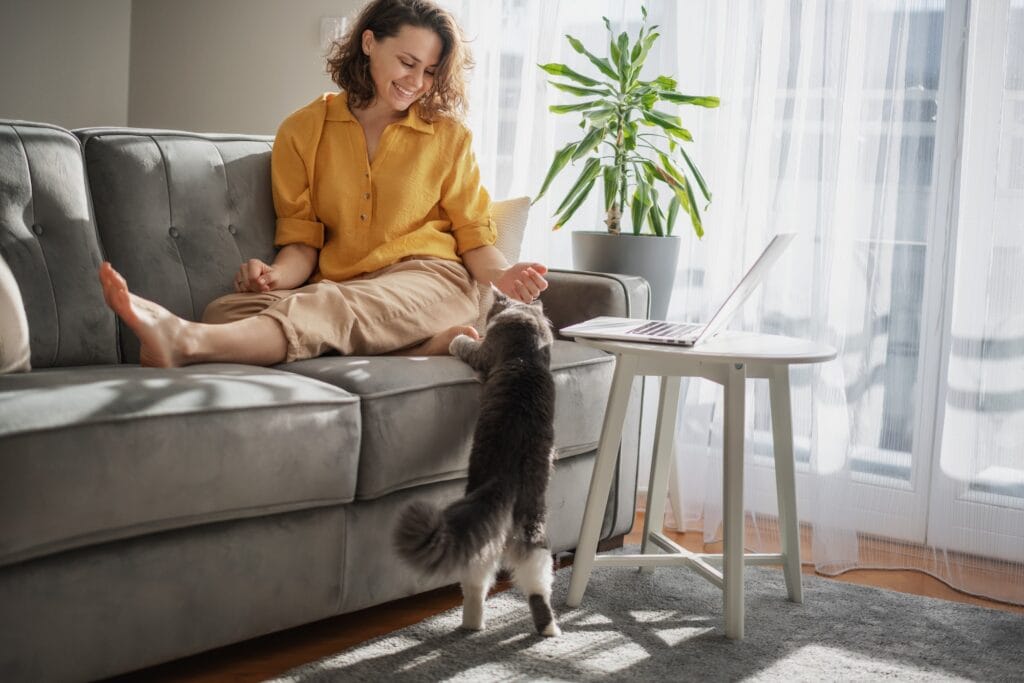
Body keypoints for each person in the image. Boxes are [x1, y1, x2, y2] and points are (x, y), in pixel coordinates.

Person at [98, 0, 547, 368]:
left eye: (429, 71)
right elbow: (302, 244)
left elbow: (473, 237)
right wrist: (273, 277)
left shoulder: (449, 137)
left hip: (432, 281)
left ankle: (185, 341)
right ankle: (427, 345)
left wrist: (503, 274)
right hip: (346, 288)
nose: (416, 81)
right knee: (228, 311)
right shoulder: (303, 130)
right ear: (369, 42)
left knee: (322, 308)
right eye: (407, 62)